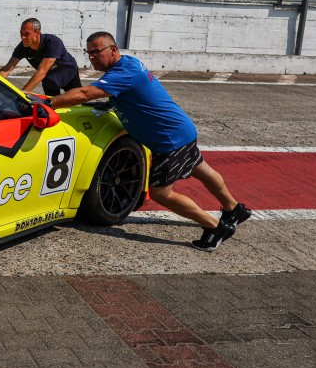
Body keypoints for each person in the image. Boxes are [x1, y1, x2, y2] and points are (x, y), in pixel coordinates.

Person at [48, 31, 252, 251]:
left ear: (113, 50)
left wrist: (49, 103)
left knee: (161, 193)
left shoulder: (123, 72)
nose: (92, 57)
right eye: (89, 53)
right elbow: (131, 94)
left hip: (169, 141)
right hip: (180, 130)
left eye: (97, 52)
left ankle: (214, 226)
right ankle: (234, 209)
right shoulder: (128, 64)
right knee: (201, 169)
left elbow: (85, 93)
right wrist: (110, 104)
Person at [0, 18, 81, 96]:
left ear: (37, 33)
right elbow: (6, 69)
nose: (23, 37)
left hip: (68, 74)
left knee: (78, 103)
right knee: (51, 108)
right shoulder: (22, 47)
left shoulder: (53, 42)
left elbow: (42, 71)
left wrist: (22, 94)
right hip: (49, 80)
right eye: (21, 33)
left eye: (26, 34)